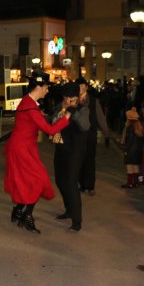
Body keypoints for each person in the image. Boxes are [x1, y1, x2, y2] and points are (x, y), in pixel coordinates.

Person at [4, 71, 71, 234]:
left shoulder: (27, 102)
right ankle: (27, 216)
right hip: (22, 149)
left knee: (26, 180)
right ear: (39, 87)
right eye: (46, 87)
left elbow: (39, 122)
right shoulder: (30, 107)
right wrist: (67, 117)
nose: (47, 91)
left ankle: (19, 211)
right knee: (38, 180)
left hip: (22, 147)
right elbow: (49, 129)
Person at [52, 82, 90, 231]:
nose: (70, 101)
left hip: (76, 150)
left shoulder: (83, 109)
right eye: (67, 98)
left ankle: (77, 220)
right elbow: (51, 120)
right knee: (60, 180)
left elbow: (85, 126)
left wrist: (72, 112)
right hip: (61, 148)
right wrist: (62, 110)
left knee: (71, 182)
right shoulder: (59, 107)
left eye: (73, 98)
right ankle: (69, 209)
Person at [75, 77, 110, 196]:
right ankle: (81, 184)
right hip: (77, 134)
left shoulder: (94, 101)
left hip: (90, 134)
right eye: (78, 86)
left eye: (82, 86)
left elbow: (100, 117)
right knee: (79, 160)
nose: (80, 88)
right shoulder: (73, 100)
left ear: (86, 87)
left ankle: (89, 186)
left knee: (89, 160)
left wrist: (106, 134)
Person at [121, 107, 144, 188]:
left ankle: (130, 183)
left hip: (131, 150)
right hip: (137, 151)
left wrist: (125, 150)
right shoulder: (139, 127)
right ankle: (135, 182)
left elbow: (129, 141)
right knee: (135, 166)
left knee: (129, 167)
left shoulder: (130, 128)